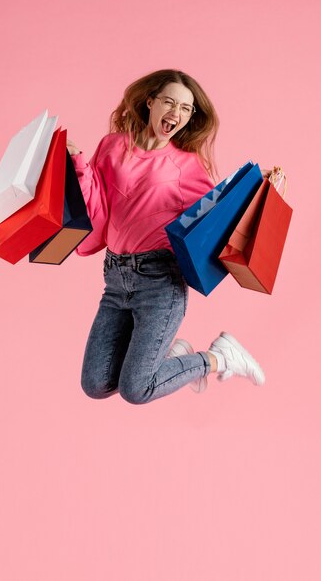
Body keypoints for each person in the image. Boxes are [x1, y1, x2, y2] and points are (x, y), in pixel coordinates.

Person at [67, 69, 265, 405]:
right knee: (96, 384)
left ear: (190, 118)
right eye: (169, 102)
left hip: (159, 283)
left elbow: (220, 214)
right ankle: (170, 355)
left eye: (186, 109)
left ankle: (219, 357)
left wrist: (264, 188)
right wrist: (78, 164)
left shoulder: (186, 166)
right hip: (115, 279)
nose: (176, 113)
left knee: (136, 389)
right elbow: (96, 206)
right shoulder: (113, 146)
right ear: (150, 102)